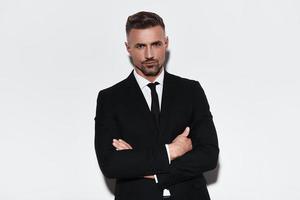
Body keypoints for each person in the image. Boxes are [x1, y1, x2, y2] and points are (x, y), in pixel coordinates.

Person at [94, 11, 219, 200]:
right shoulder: (110, 99)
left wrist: (146, 167)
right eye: (140, 46)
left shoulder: (191, 91)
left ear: (166, 43)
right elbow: (111, 164)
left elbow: (209, 155)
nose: (149, 54)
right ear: (128, 48)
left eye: (156, 44)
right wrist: (173, 151)